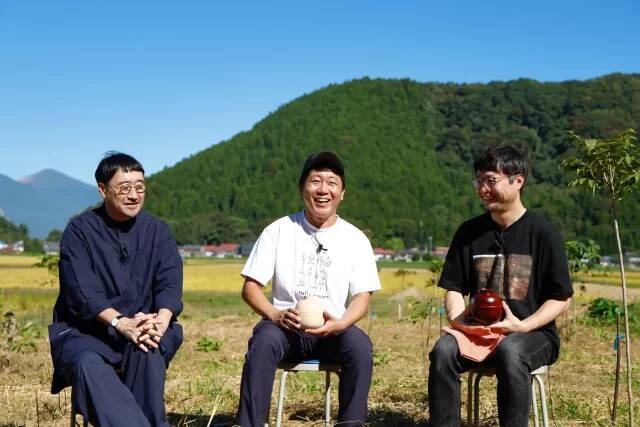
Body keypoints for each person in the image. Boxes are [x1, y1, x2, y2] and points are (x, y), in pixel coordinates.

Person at [428, 145, 573, 427]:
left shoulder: (543, 232)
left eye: (491, 181)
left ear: (518, 181)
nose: (483, 189)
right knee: (443, 350)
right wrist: (459, 322)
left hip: (533, 334)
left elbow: (561, 296)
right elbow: (454, 287)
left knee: (511, 350)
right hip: (478, 332)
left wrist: (523, 325)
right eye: (479, 181)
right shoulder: (469, 232)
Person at [236, 152, 382, 427]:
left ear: (342, 193)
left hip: (333, 329)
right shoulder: (278, 231)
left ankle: (351, 424)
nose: (323, 189)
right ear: (301, 188)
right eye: (315, 181)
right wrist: (275, 314)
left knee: (359, 346)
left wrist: (341, 323)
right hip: (284, 328)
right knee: (263, 343)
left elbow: (363, 297)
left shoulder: (355, 239)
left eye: (332, 182)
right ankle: (250, 424)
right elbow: (250, 287)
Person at [48, 152, 183, 427]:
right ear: (103, 190)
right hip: (88, 332)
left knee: (148, 348)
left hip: (144, 325)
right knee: (88, 365)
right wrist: (120, 322)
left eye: (140, 187)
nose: (134, 195)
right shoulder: (80, 231)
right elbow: (82, 293)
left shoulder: (158, 231)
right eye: (124, 188)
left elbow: (170, 283)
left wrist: (161, 320)